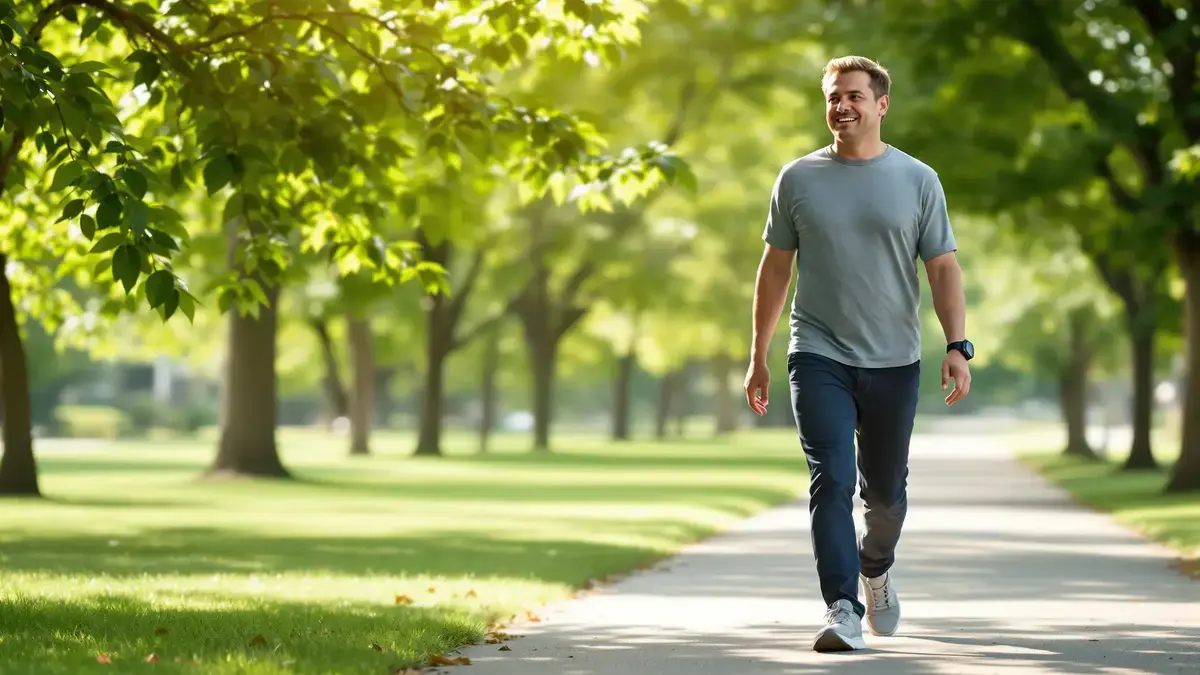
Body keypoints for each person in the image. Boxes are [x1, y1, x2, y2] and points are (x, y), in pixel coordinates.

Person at [743, 55, 973, 652]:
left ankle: (876, 568)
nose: (841, 105)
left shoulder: (918, 179)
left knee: (886, 497)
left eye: (853, 95)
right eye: (833, 97)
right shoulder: (797, 178)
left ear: (881, 104)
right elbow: (774, 270)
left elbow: (943, 267)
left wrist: (957, 345)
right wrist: (759, 354)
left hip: (894, 359)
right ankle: (842, 608)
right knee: (832, 479)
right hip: (816, 351)